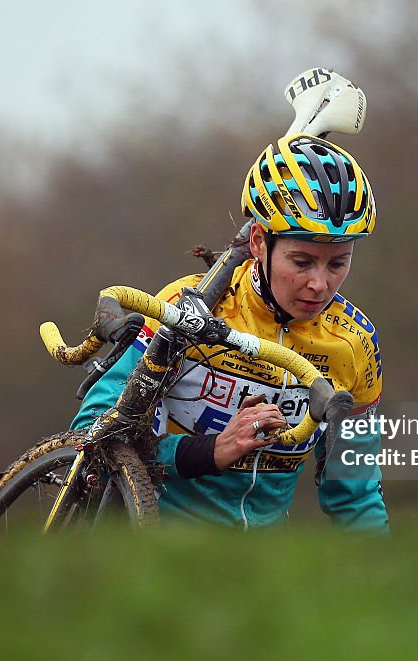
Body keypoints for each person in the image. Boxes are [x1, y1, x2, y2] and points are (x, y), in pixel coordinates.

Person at [72, 133, 387, 532]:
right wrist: (210, 451)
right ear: (259, 242)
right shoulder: (187, 307)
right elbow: (94, 432)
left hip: (257, 563)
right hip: (151, 538)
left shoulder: (355, 343)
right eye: (302, 262)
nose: (320, 285)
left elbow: (355, 493)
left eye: (337, 263)